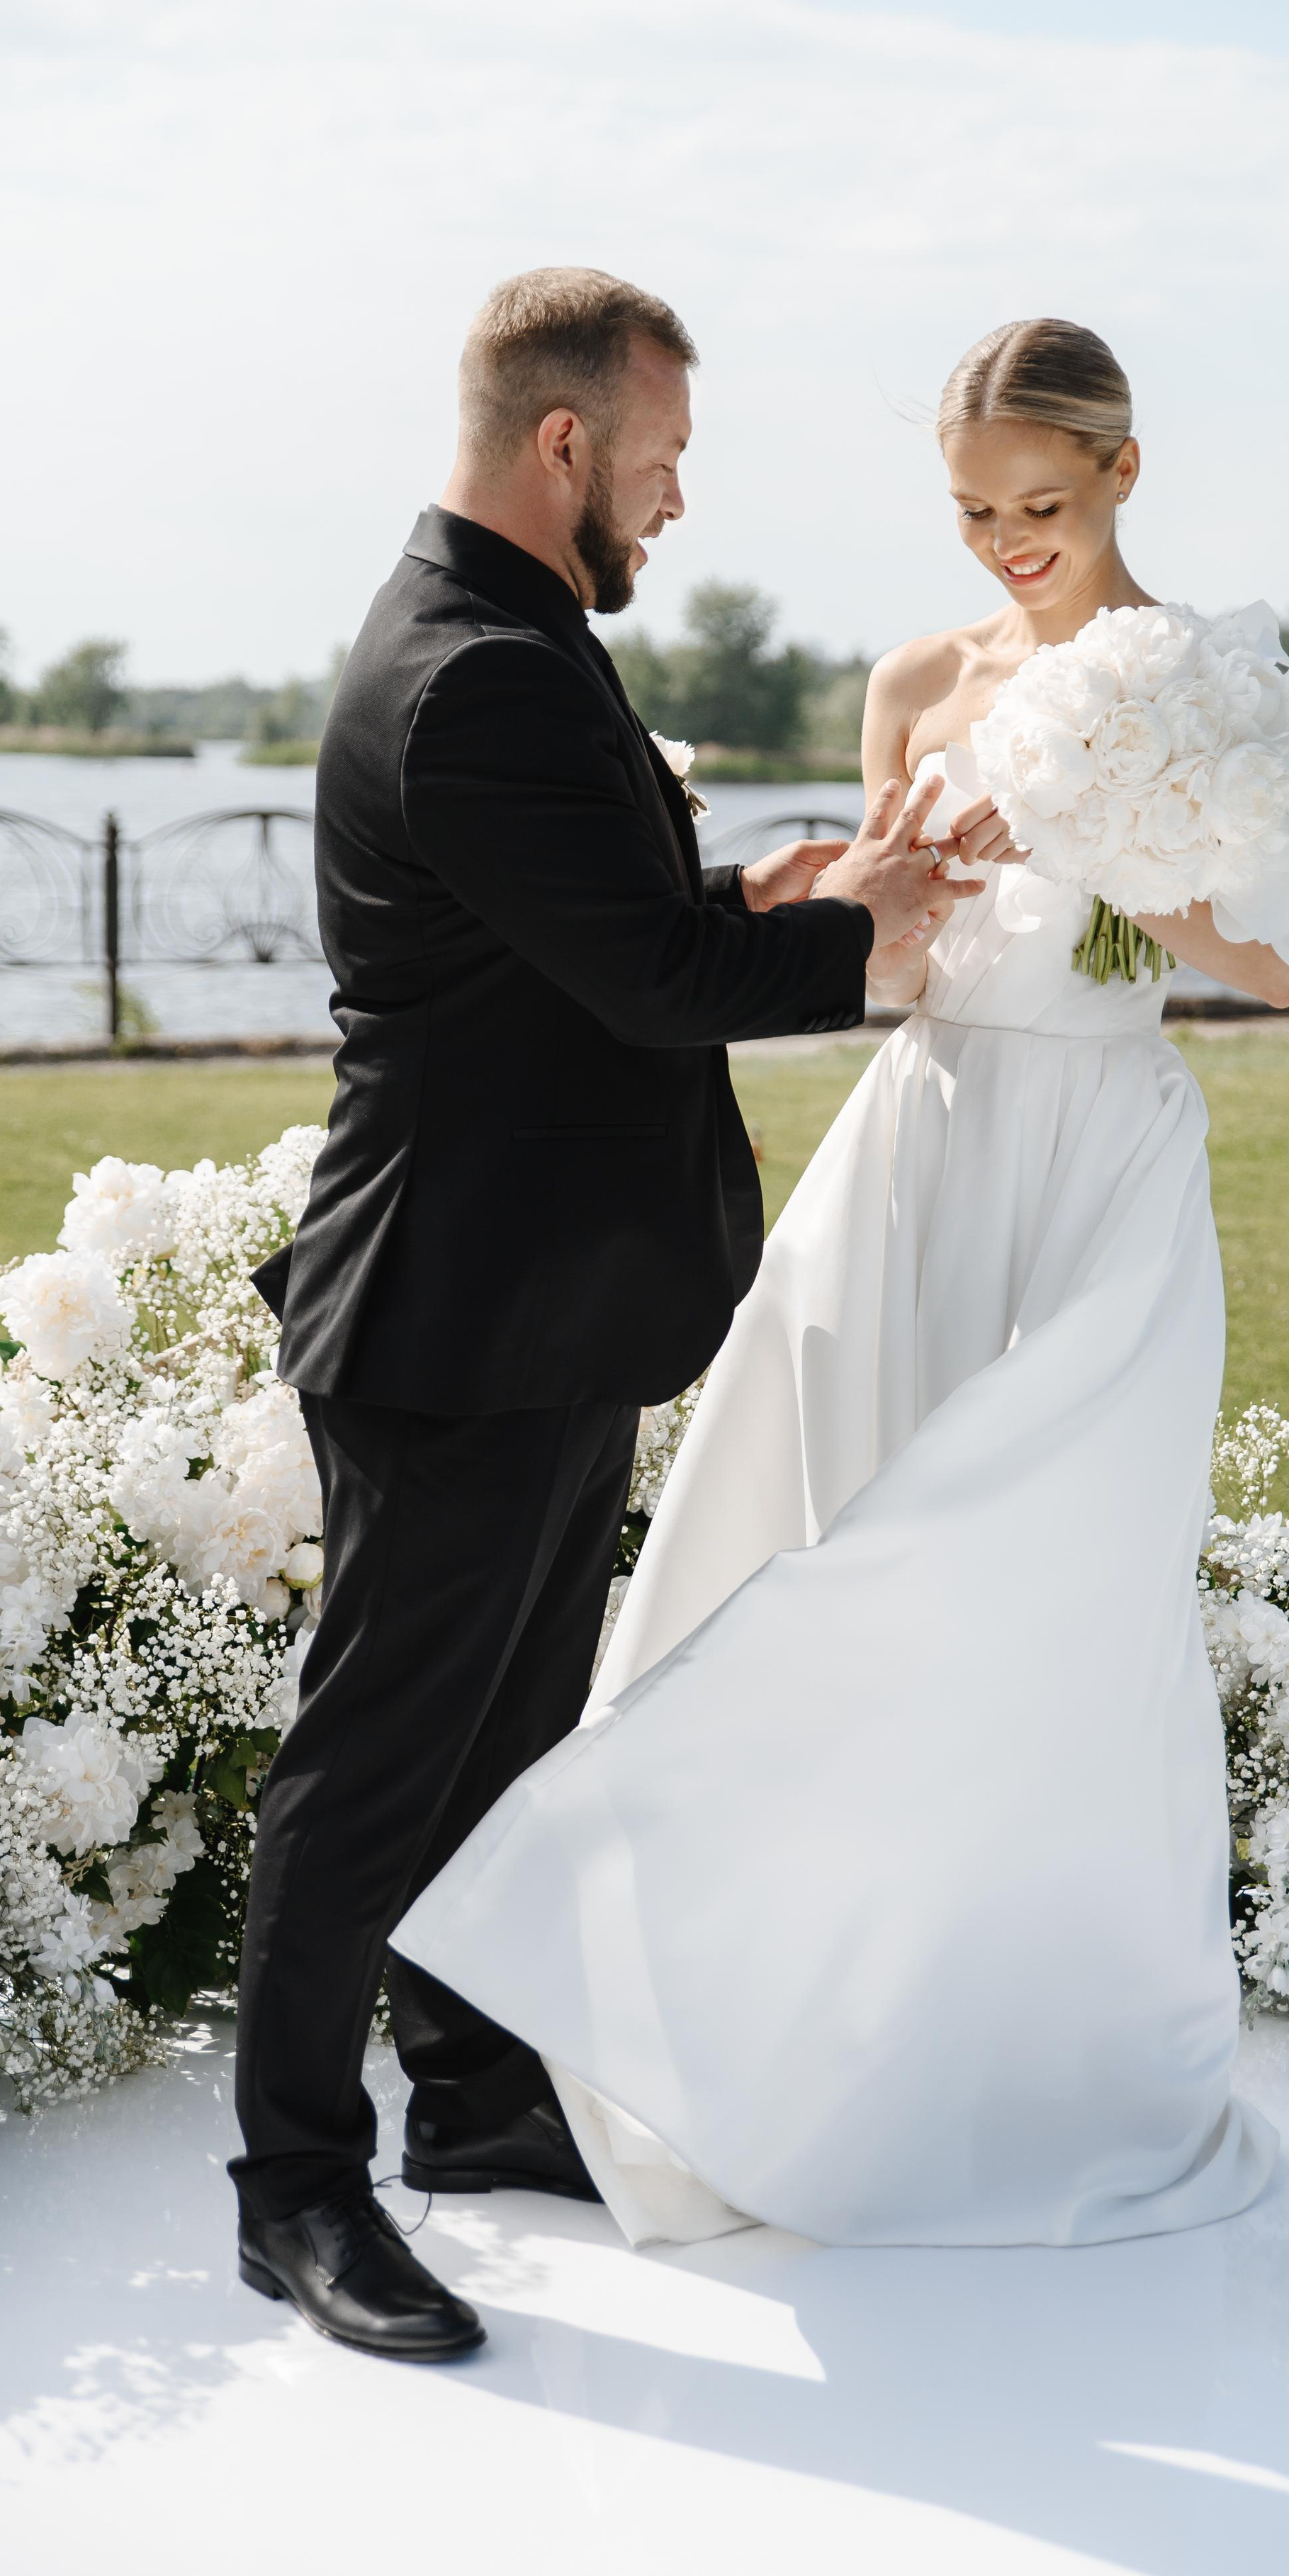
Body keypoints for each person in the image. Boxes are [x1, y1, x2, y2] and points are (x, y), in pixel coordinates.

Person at [393, 316, 1289, 2252]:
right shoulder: (915, 678)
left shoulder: (1211, 683)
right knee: (834, 1558)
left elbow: (1282, 968)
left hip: (1101, 1170)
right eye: (974, 509)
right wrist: (823, 895)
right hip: (923, 1152)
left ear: (1124, 478)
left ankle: (1025, 2053)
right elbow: (890, 960)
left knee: (1050, 1592)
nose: (1005, 543)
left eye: (1042, 506)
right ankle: (782, 2032)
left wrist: (1091, 822)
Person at [231, 267, 999, 2361]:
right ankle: (290, 2187)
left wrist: (753, 892)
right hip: (453, 1316)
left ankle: (475, 2108)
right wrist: (877, 943)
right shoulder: (477, 668)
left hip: (540, 1308)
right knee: (376, 1764)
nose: (675, 501)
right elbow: (649, 994)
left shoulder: (512, 638)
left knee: (507, 1747)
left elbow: (602, 939)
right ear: (563, 443)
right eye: (660, 459)